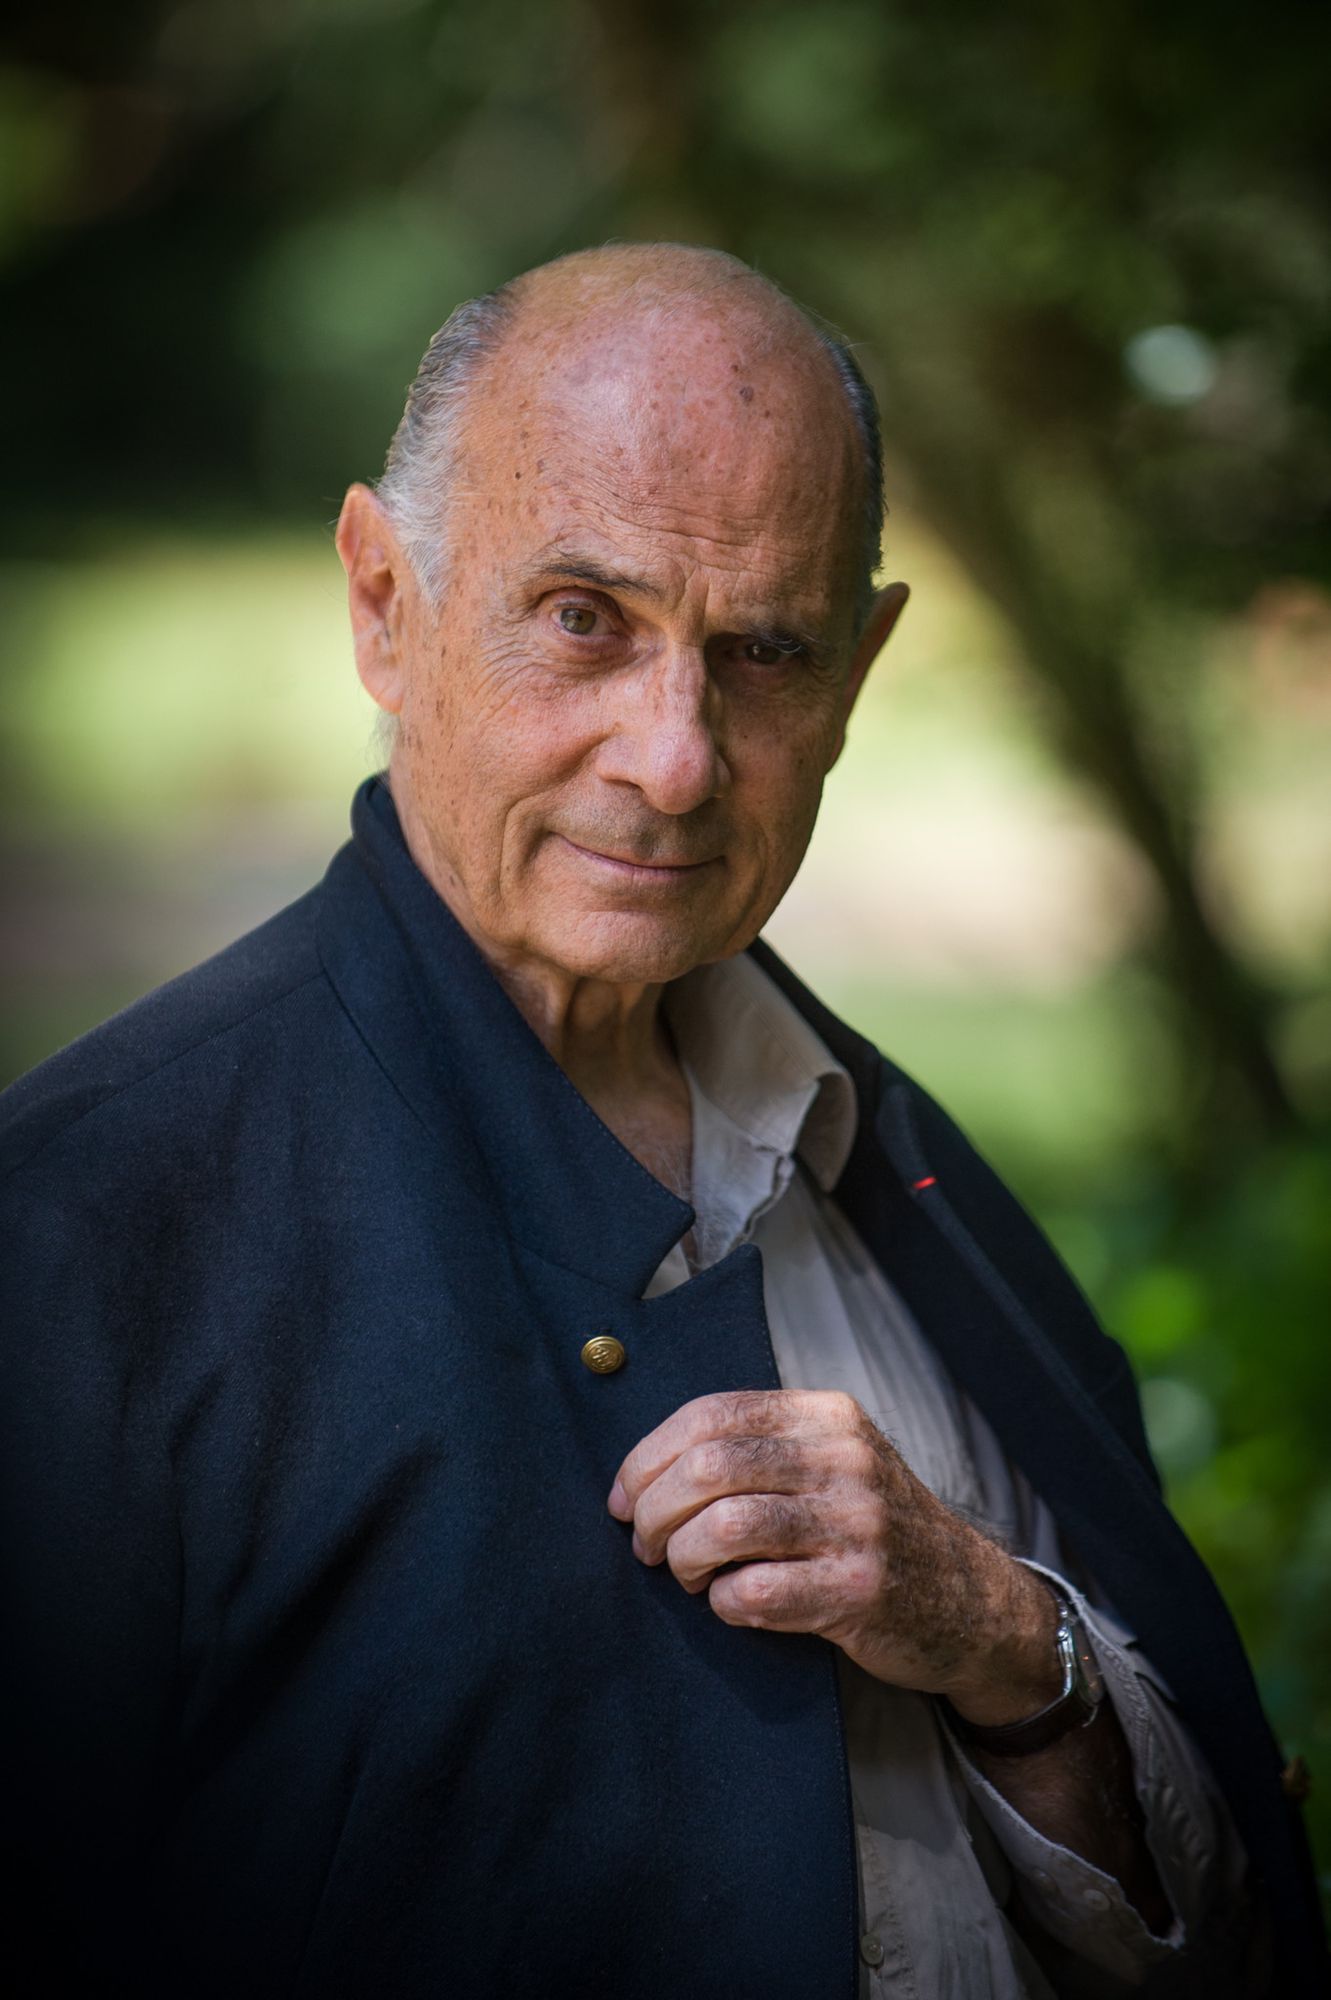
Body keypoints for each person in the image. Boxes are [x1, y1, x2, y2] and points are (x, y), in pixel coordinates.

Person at [1, 243, 1323, 1999]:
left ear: (857, 673)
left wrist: (1007, 1643)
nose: (678, 758)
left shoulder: (884, 1145)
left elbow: (1228, 1922)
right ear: (385, 606)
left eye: (764, 650)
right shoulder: (84, 1232)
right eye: (582, 620)